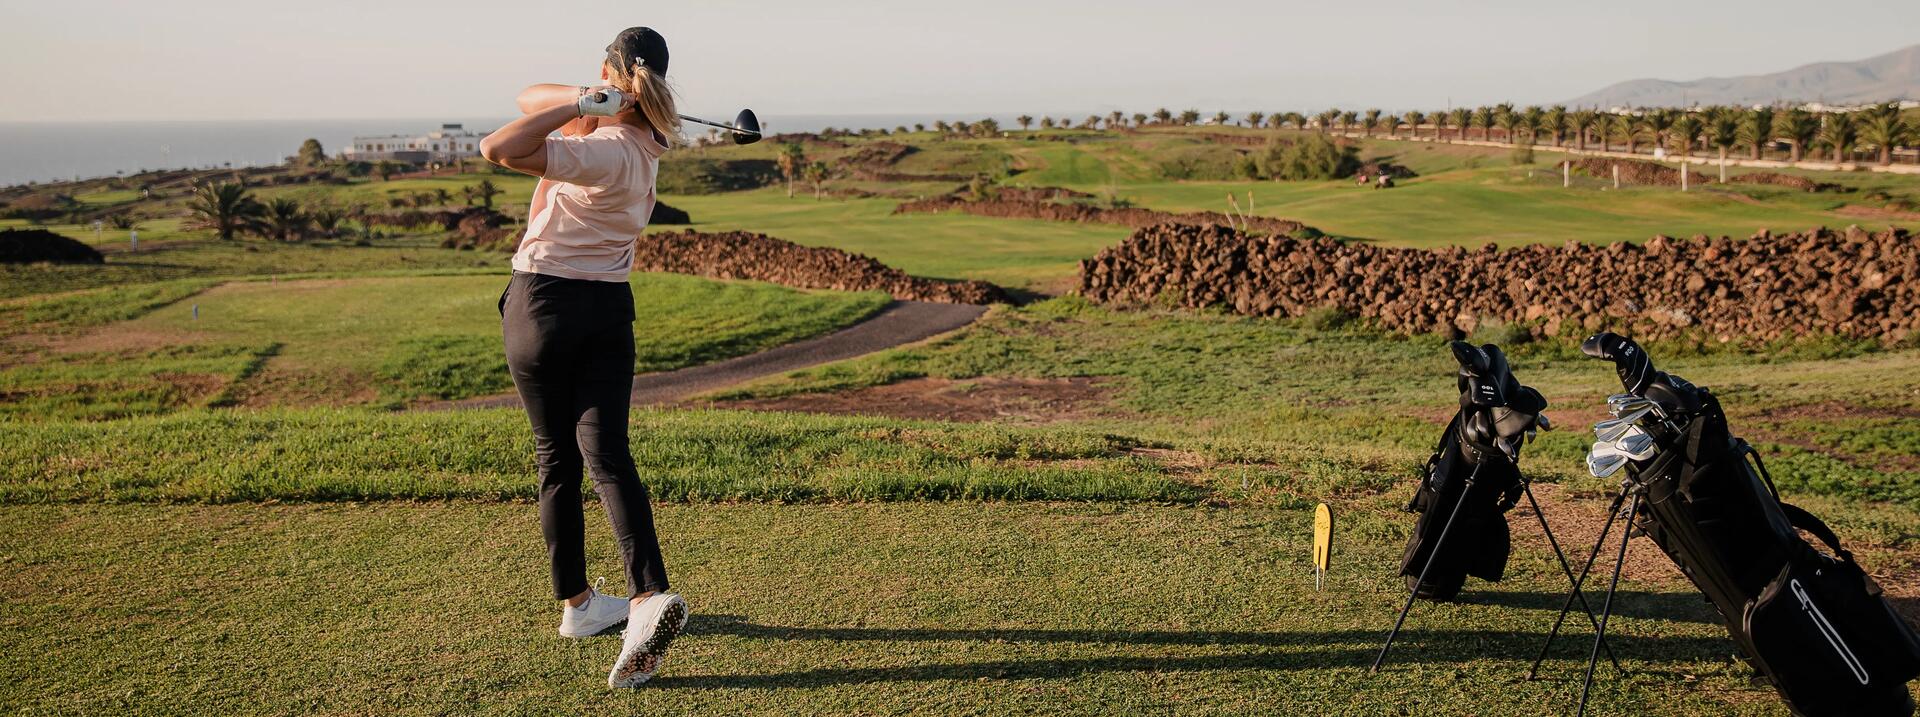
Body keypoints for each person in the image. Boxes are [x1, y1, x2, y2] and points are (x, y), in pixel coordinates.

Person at [478, 26, 687, 689]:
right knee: (607, 454)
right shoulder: (645, 145)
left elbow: (498, 145)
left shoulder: (602, 155)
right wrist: (588, 96)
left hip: (544, 307)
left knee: (556, 458)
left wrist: (587, 103)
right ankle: (634, 596)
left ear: (614, 78)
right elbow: (526, 95)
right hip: (608, 312)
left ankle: (584, 602)